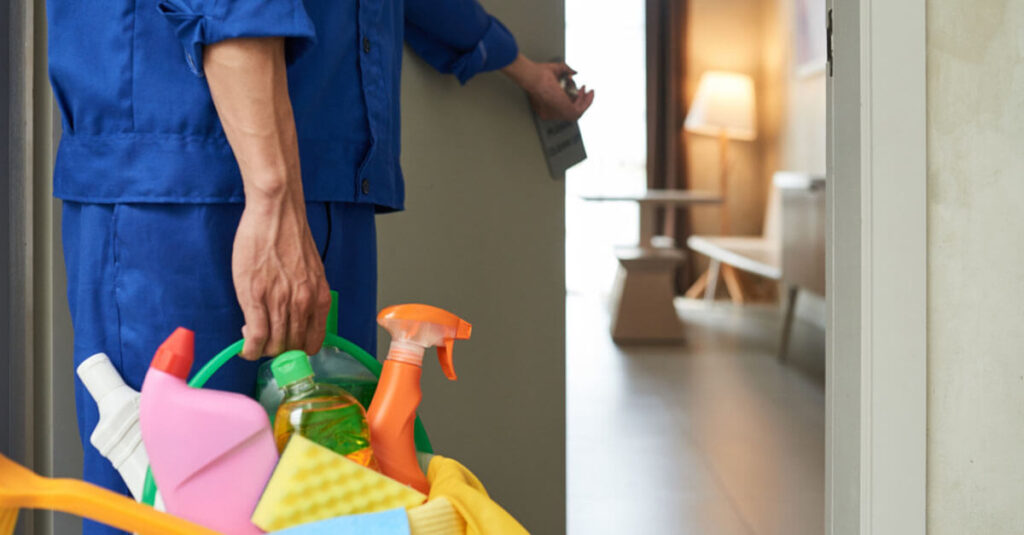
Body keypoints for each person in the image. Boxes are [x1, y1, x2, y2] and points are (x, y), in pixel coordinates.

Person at [48, 0, 593, 533]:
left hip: (328, 185)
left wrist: (516, 66)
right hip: (187, 187)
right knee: (169, 503)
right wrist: (272, 196)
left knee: (336, 499)